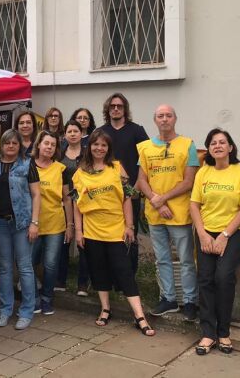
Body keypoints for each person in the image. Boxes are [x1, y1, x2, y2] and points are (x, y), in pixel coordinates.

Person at [73, 130, 155, 337]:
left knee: (124, 271)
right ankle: (105, 309)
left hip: (116, 229)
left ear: (108, 148)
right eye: (95, 145)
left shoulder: (117, 168)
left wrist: (130, 226)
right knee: (99, 271)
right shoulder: (79, 173)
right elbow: (76, 205)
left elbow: (127, 198)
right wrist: (79, 231)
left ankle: (139, 316)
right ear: (89, 146)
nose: (99, 148)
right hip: (92, 231)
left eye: (104, 145)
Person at [190, 129, 240, 355]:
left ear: (230, 147)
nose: (218, 146)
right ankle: (208, 333)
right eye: (213, 143)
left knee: (223, 276)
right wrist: (202, 234)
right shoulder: (203, 173)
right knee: (205, 278)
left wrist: (224, 236)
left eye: (222, 142)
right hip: (206, 231)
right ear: (209, 149)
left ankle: (224, 333)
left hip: (234, 232)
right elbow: (194, 205)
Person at [136, 104, 200, 321]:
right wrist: (156, 201)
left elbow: (189, 181)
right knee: (162, 259)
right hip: (155, 214)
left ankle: (191, 301)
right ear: (155, 120)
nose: (164, 119)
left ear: (175, 119)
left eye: (168, 115)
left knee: (185, 260)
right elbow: (141, 180)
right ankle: (168, 299)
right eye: (160, 116)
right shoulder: (145, 147)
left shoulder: (187, 145)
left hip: (179, 213)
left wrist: (162, 198)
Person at [0, 129, 41, 330]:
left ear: (19, 145)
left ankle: (26, 311)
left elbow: (36, 195)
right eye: (7, 143)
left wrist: (34, 222)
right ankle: (5, 310)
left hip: (21, 224)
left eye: (15, 143)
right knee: (5, 267)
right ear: (2, 144)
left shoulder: (27, 163)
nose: (11, 146)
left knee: (24, 267)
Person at [99, 93, 149, 274]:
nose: (116, 109)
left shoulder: (137, 131)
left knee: (130, 233)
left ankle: (128, 276)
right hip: (106, 193)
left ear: (125, 109)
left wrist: (137, 187)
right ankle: (110, 275)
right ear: (108, 109)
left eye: (119, 106)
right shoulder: (102, 132)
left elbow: (147, 161)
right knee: (108, 235)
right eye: (112, 106)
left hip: (131, 191)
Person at [31, 131, 72, 315]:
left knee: (50, 264)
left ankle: (47, 299)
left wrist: (70, 225)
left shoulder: (61, 169)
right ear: (38, 145)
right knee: (28, 263)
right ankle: (33, 298)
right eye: (46, 143)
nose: (49, 147)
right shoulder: (28, 166)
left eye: (53, 145)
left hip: (55, 223)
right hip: (33, 224)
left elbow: (67, 199)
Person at [57, 119, 91, 295]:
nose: (72, 134)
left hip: (84, 203)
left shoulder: (88, 154)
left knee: (83, 243)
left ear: (81, 134)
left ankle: (82, 284)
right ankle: (60, 281)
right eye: (69, 131)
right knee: (64, 242)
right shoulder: (59, 154)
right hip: (63, 203)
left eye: (75, 131)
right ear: (64, 135)